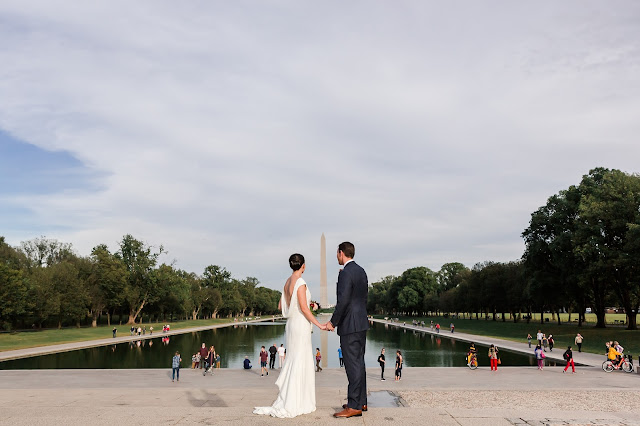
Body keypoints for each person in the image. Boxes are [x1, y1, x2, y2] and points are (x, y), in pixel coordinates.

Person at [254, 253, 326, 418]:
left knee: (294, 359)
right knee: (300, 361)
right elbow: (303, 308)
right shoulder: (300, 282)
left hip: (291, 325)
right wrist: (319, 324)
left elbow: (281, 305)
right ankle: (298, 401)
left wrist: (307, 305)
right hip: (300, 325)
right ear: (303, 265)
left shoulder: (287, 282)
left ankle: (293, 398)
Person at [324, 242, 369, 418]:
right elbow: (362, 298)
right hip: (360, 322)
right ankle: (361, 401)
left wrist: (333, 322)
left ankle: (354, 406)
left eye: (337, 253)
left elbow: (343, 301)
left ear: (341, 253)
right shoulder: (361, 271)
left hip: (349, 325)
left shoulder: (346, 273)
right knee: (360, 363)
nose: (336, 256)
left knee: (352, 366)